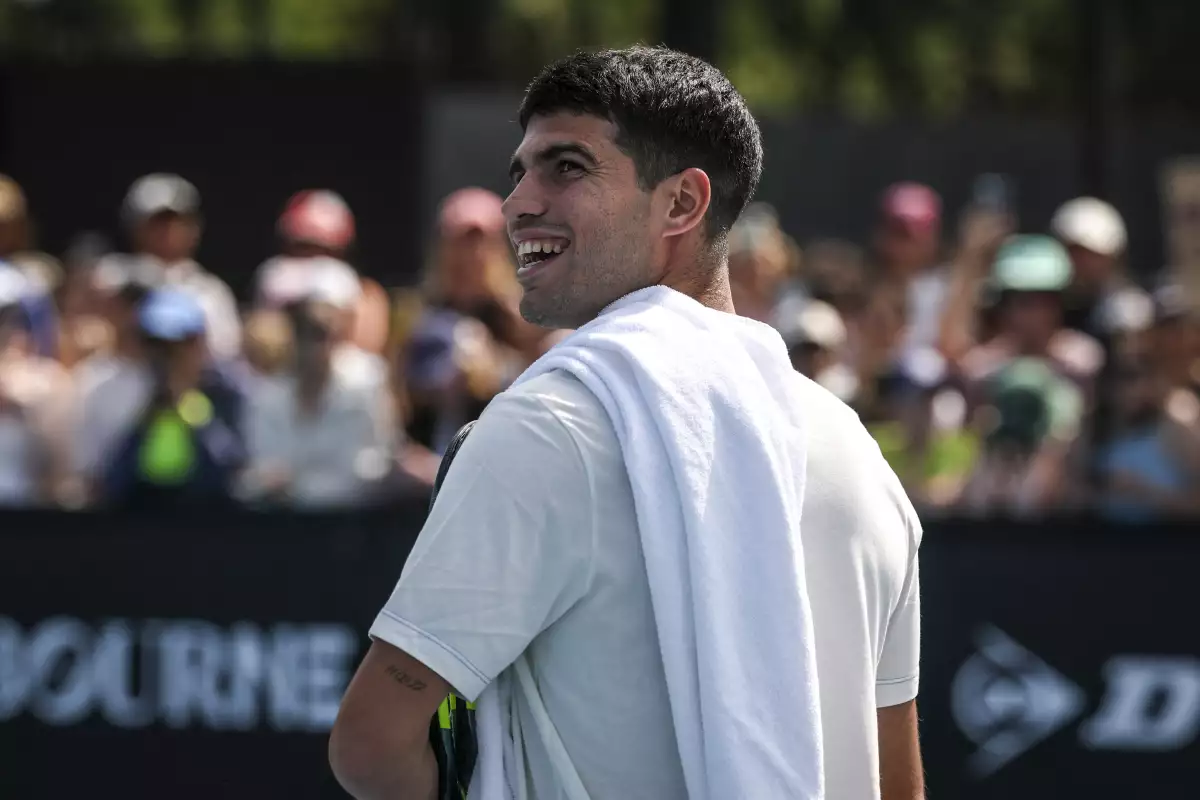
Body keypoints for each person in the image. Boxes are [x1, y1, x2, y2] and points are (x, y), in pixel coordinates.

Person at [331, 46, 923, 800]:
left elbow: (372, 745)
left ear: (681, 204)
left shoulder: (545, 426)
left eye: (567, 167)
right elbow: (897, 785)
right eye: (521, 171)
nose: (519, 202)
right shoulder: (863, 460)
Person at [94, 173, 241, 360]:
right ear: (136, 227)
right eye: (158, 223)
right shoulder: (112, 275)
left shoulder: (211, 290)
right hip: (122, 380)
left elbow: (225, 353)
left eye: (177, 222)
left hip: (186, 383)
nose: (168, 231)